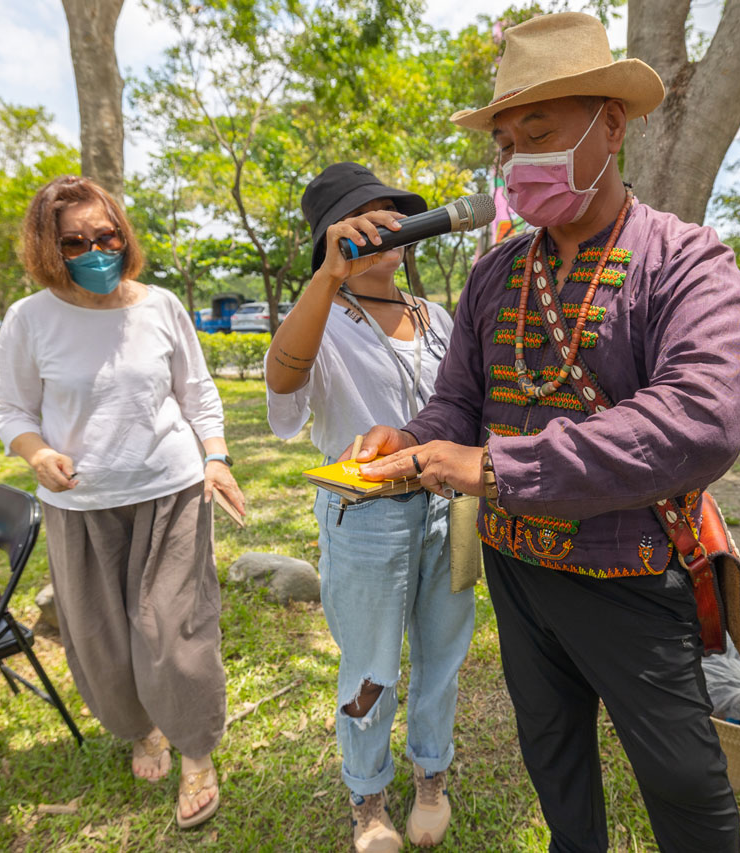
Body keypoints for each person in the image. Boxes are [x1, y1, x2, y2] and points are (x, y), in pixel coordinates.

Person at [356, 13, 740, 852]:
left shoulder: (684, 261)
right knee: (553, 752)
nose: (517, 157)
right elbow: (458, 404)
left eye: (537, 130)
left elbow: (702, 419)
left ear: (611, 123)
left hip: (632, 570)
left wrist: (494, 468)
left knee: (682, 775)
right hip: (517, 569)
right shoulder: (496, 270)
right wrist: (410, 438)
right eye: (506, 141)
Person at [0, 175, 244, 830]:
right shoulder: (30, 319)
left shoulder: (158, 306)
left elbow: (198, 392)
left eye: (106, 235)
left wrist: (215, 456)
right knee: (101, 637)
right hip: (79, 505)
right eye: (76, 241)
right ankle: (140, 729)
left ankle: (194, 750)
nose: (96, 248)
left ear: (123, 235)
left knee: (172, 627)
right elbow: (9, 406)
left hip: (170, 488)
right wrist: (36, 452)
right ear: (50, 246)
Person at [265, 163, 475, 852]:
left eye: (393, 213)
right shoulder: (321, 317)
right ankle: (367, 795)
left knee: (443, 652)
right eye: (364, 216)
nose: (385, 225)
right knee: (370, 665)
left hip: (449, 508)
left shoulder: (434, 316)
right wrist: (326, 277)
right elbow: (282, 382)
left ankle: (431, 775)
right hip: (367, 518)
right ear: (332, 237)